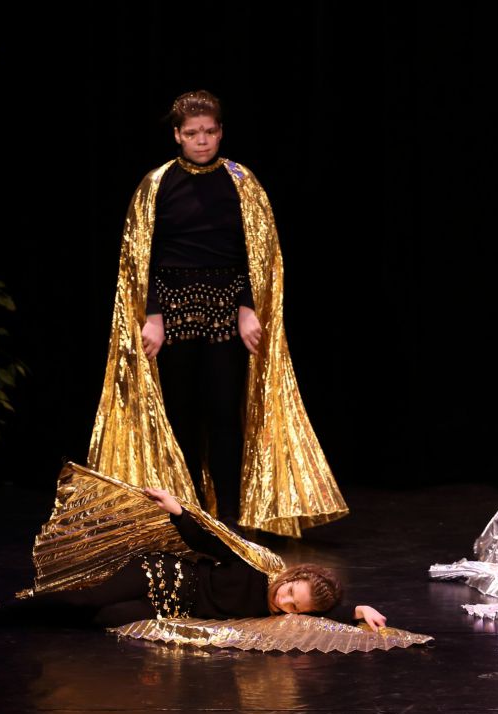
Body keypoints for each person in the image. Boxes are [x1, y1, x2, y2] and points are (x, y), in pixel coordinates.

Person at [87, 89, 346, 537]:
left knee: (225, 410)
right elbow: (139, 260)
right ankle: (187, 512)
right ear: (177, 135)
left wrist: (248, 306)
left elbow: (258, 254)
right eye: (192, 133)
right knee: (181, 413)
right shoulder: (157, 185)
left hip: (227, 304)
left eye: (209, 131)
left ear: (221, 131)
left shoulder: (241, 182)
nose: (202, 140)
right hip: (174, 307)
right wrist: (152, 316)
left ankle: (229, 514)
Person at [0, 486, 385, 630]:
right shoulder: (255, 569)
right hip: (160, 574)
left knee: (103, 619)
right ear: (291, 577)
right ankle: (7, 611)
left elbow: (323, 618)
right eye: (290, 592)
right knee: (89, 599)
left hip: (168, 606)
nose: (285, 602)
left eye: (295, 607)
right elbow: (207, 542)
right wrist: (176, 510)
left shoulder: (279, 616)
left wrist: (356, 610)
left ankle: (35, 618)